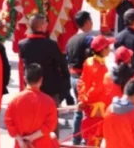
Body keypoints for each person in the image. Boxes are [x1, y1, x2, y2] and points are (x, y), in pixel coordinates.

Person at [5, 63, 59, 148]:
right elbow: (50, 125)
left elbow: (9, 122)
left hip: (21, 145)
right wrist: (32, 137)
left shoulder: (14, 101)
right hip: (42, 144)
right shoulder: (49, 102)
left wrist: (20, 140)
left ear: (25, 79)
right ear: (41, 80)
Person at [18, 15, 70, 103]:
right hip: (50, 90)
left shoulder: (22, 44)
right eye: (45, 23)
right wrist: (65, 85)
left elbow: (22, 66)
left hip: (32, 88)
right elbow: (62, 65)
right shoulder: (51, 45)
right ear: (41, 27)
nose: (47, 24)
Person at [77, 34, 112, 146]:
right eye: (108, 46)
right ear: (103, 50)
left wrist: (82, 98)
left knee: (92, 136)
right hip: (97, 106)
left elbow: (81, 81)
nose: (110, 48)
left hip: (90, 104)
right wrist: (84, 100)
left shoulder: (88, 61)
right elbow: (96, 88)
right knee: (95, 137)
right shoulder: (101, 68)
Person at [65, 11, 93, 144]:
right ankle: (87, 139)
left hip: (73, 77)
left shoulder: (70, 40)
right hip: (85, 78)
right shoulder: (89, 39)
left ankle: (76, 139)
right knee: (88, 111)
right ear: (87, 22)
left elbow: (67, 59)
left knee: (79, 109)